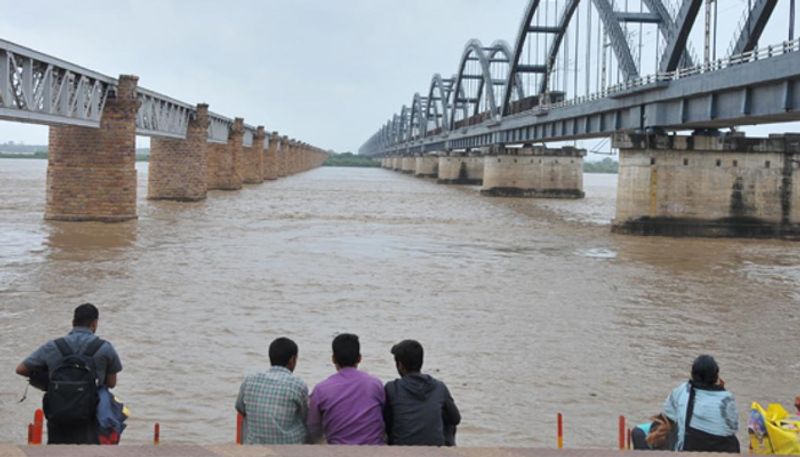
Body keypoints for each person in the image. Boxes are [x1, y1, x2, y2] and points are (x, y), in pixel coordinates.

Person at [15, 303, 123, 445]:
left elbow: (21, 369)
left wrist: (50, 382)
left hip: (58, 414)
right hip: (91, 415)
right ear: (95, 324)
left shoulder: (53, 346)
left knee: (57, 451)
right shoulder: (105, 348)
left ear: (73, 323)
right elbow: (111, 383)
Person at [307, 333, 385, 445]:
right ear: (359, 358)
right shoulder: (375, 384)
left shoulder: (321, 389)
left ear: (333, 359)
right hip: (373, 451)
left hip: (338, 450)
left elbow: (313, 429)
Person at [383, 339, 461, 446]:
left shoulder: (392, 388)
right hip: (434, 450)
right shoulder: (439, 387)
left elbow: (385, 422)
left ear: (400, 365)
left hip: (401, 450)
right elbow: (455, 419)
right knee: (447, 418)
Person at [235, 337, 309, 444]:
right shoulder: (297, 384)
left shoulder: (249, 380)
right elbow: (305, 417)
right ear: (292, 359)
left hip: (253, 449)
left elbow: (240, 408)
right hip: (289, 449)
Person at [662, 354, 739, 453]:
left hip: (690, 450)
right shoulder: (728, 398)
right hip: (725, 451)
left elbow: (668, 414)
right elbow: (734, 428)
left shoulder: (683, 390)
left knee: (673, 428)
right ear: (716, 376)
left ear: (692, 374)